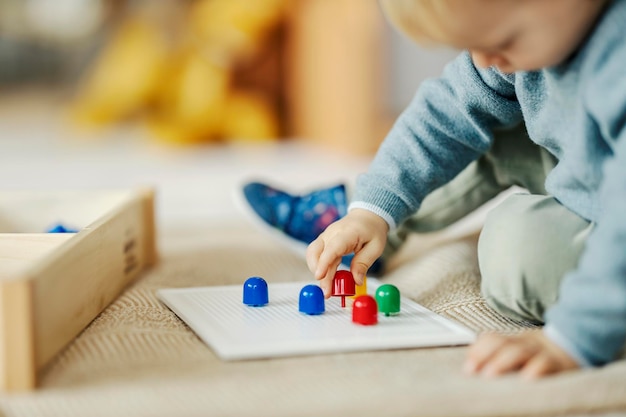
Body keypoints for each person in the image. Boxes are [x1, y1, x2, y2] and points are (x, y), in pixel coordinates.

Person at [239, 0, 626, 379]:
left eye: (503, 41)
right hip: (589, 173)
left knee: (517, 251)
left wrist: (574, 337)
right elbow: (446, 114)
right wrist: (370, 209)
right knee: (486, 129)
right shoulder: (522, 41)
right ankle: (365, 226)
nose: (486, 61)